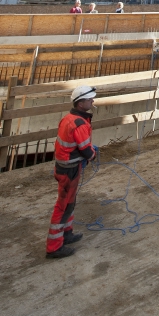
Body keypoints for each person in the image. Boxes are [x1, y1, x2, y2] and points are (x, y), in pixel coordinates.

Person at [46, 84, 97, 259]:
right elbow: (86, 150)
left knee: (70, 203)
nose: (92, 101)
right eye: (90, 99)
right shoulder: (79, 123)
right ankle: (54, 247)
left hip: (65, 167)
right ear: (80, 103)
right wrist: (93, 155)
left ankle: (66, 233)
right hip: (69, 170)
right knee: (63, 206)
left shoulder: (68, 118)